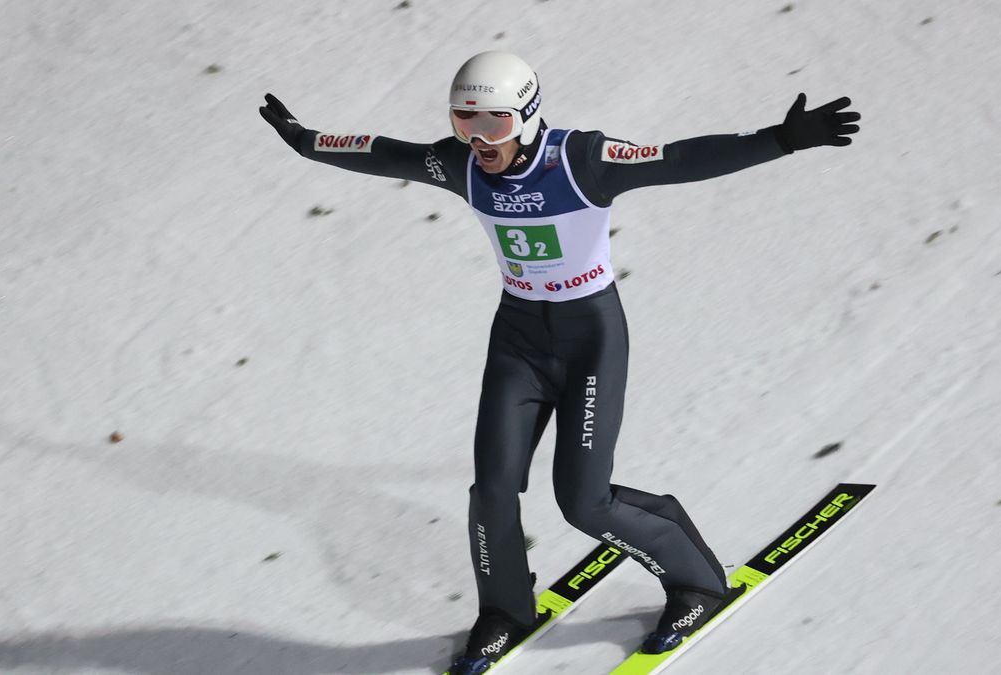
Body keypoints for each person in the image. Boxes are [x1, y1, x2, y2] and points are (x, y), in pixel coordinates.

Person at [260, 51, 860, 674]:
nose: (477, 140)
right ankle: (507, 609)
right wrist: (306, 140)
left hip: (590, 338)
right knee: (491, 489)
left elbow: (678, 160)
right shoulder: (461, 164)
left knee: (584, 503)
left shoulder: (582, 161)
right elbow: (384, 152)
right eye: (463, 123)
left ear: (525, 116)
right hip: (517, 336)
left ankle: (698, 582)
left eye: (491, 124)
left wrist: (782, 140)